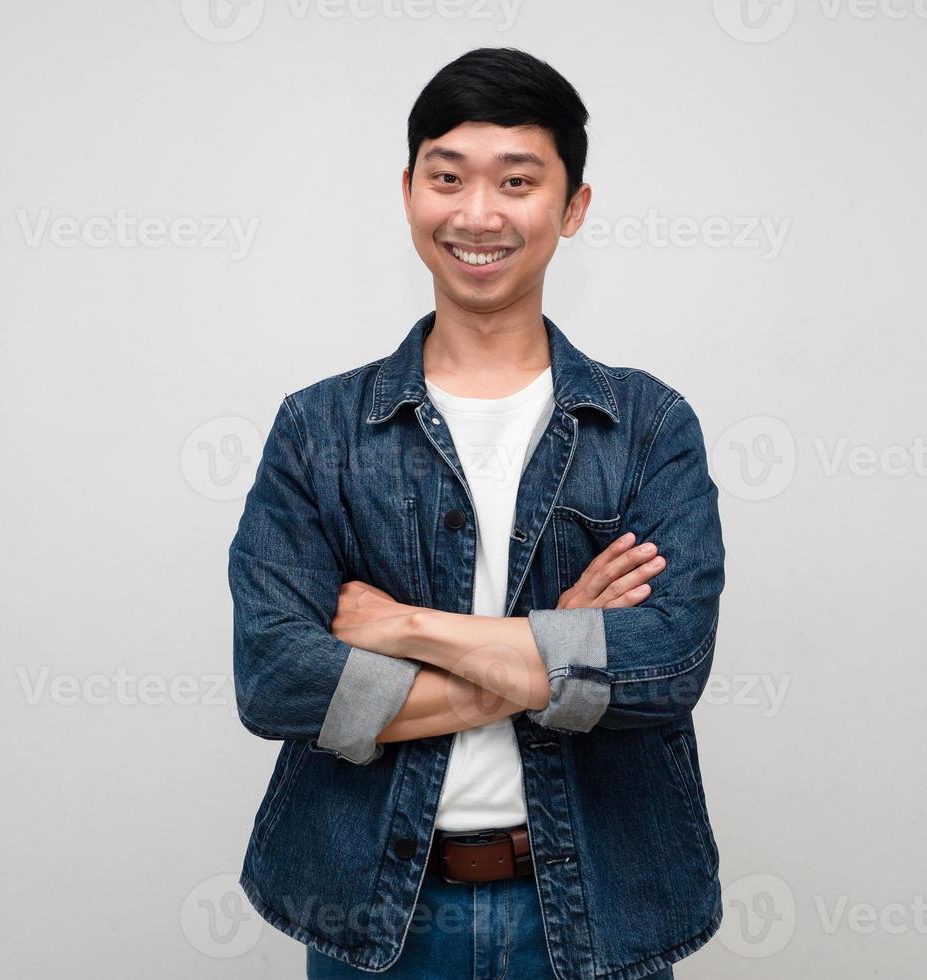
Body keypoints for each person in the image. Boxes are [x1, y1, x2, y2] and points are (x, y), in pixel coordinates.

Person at [228, 46, 727, 980]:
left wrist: (401, 627)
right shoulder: (319, 430)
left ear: (572, 206)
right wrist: (564, 649)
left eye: (517, 181)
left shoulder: (647, 424)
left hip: (595, 913)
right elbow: (277, 680)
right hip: (375, 916)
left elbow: (665, 668)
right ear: (409, 190)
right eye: (446, 177)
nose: (477, 214)